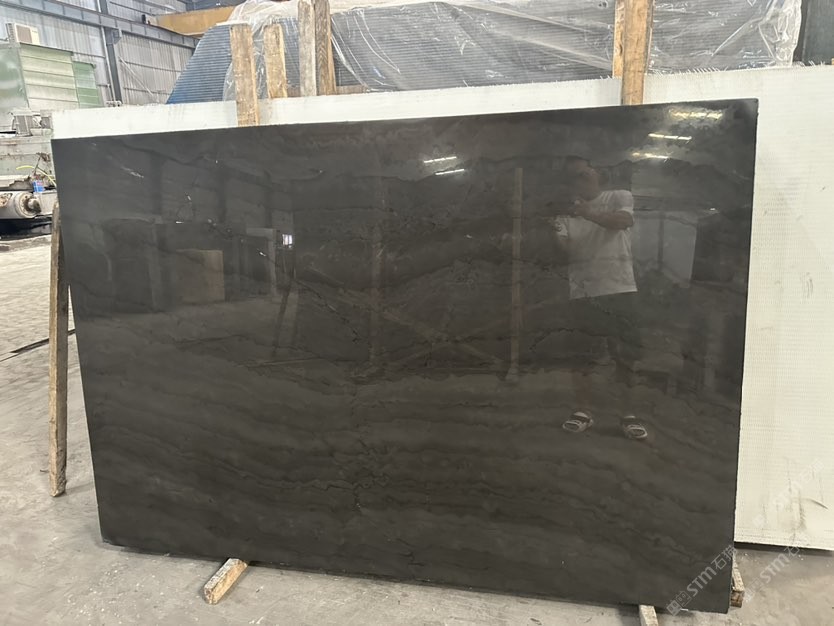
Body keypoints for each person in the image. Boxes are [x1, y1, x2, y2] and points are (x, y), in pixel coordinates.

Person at [555, 156, 648, 441]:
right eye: (573, 177)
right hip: (583, 293)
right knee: (582, 357)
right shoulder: (563, 213)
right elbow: (565, 250)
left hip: (620, 288)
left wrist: (587, 213)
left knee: (625, 357)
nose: (580, 180)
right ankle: (583, 411)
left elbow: (623, 221)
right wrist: (554, 234)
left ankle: (628, 415)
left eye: (584, 173)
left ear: (596, 173)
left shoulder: (619, 196)